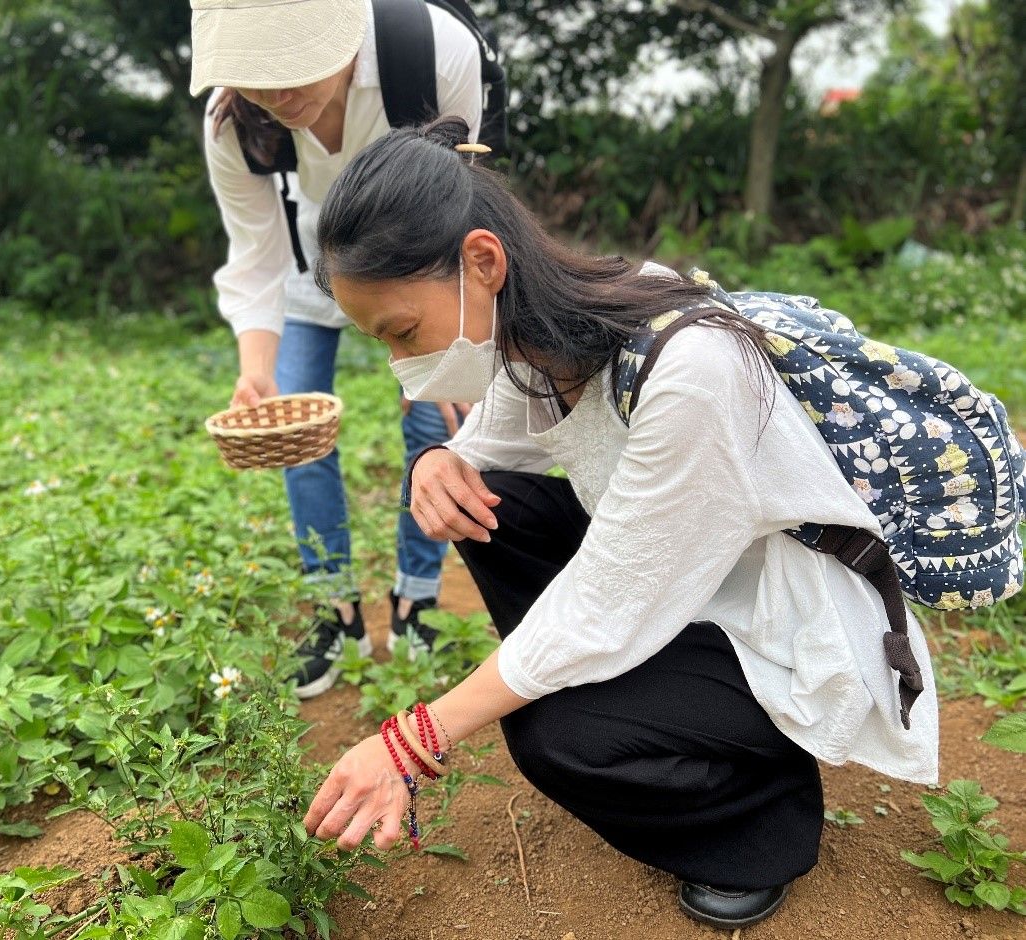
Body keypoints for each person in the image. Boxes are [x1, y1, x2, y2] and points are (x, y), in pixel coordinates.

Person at [301, 117, 940, 929]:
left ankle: (761, 817)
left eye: (401, 332)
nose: (402, 365)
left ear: (482, 262)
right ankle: (646, 704)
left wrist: (412, 738)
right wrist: (435, 462)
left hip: (786, 631)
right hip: (698, 592)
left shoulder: (689, 372)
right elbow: (487, 450)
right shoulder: (540, 335)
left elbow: (605, 603)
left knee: (557, 735)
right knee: (489, 498)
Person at [190, 0, 487, 698]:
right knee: (299, 438)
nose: (274, 92)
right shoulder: (235, 121)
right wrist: (254, 371)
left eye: (289, 61)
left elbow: (462, 204)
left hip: (416, 271)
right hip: (305, 274)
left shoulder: (432, 52)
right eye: (253, 70)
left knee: (433, 425)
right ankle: (337, 614)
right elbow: (255, 257)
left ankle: (417, 602)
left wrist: (456, 355)